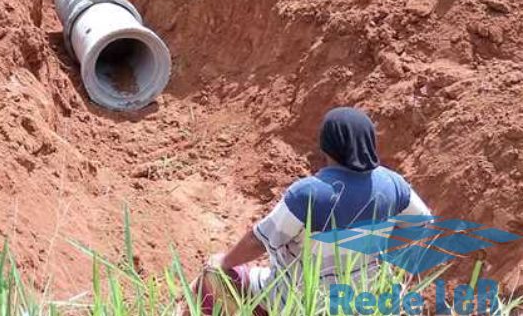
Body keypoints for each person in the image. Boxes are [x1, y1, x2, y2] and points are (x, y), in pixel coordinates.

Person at [181, 107, 433, 315]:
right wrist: (381, 250)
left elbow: (259, 240)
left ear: (326, 146)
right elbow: (423, 223)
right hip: (361, 300)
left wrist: (224, 261)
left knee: (212, 276)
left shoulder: (310, 193)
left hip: (299, 303)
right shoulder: (392, 184)